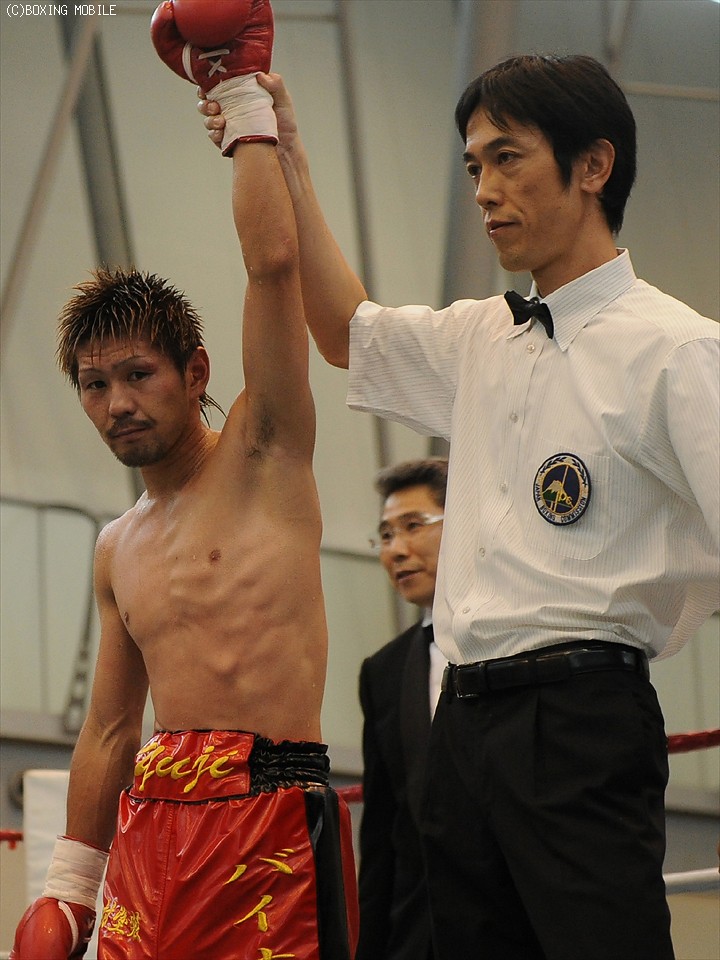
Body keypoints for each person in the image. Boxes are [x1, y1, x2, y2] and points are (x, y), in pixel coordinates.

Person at [203, 53, 719, 960]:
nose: (484, 189)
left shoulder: (678, 350)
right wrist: (285, 153)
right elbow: (346, 332)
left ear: (593, 165)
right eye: (475, 165)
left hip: (581, 717)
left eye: (508, 158)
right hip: (460, 723)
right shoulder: (483, 334)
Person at [11, 3, 358, 959]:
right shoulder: (116, 547)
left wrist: (241, 97)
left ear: (195, 371)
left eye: (138, 375)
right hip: (150, 834)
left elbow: (274, 268)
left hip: (267, 821)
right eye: (94, 385)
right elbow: (108, 730)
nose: (117, 403)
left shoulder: (264, 454)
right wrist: (68, 888)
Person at [358, 457, 447, 960]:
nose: (396, 549)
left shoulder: (524, 645)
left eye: (414, 526)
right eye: (386, 534)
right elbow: (383, 833)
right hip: (419, 936)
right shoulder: (384, 671)